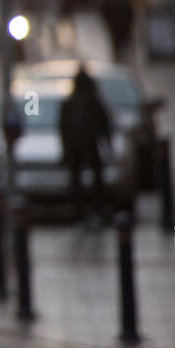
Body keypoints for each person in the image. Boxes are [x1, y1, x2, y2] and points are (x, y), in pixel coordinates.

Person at [58, 65, 114, 228]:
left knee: (81, 183)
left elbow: (63, 128)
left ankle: (84, 214)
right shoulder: (91, 102)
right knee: (90, 182)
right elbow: (105, 126)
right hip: (87, 146)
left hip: (81, 146)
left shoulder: (75, 102)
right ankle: (91, 212)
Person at [100, 0, 134, 64]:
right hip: (116, 27)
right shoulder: (110, 2)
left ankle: (120, 59)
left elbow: (130, 14)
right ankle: (118, 59)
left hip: (122, 27)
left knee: (122, 44)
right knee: (119, 44)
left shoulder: (123, 2)